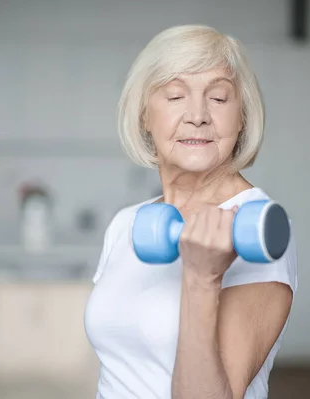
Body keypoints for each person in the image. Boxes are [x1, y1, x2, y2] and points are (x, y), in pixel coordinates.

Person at [84, 24, 298, 399]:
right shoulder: (126, 224)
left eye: (218, 98)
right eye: (175, 96)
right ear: (144, 115)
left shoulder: (258, 228)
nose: (197, 115)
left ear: (242, 117)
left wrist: (201, 278)